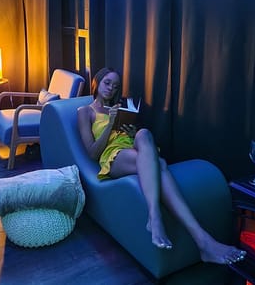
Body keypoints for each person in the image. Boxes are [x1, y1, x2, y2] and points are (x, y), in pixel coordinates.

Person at [77, 67, 246, 265]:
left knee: (144, 134)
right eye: (107, 83)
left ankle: (165, 222)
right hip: (112, 156)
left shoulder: (120, 107)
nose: (111, 89)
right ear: (97, 82)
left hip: (132, 148)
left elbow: (131, 137)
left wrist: (131, 132)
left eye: (115, 86)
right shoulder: (85, 111)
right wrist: (109, 124)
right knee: (160, 164)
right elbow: (92, 152)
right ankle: (196, 237)